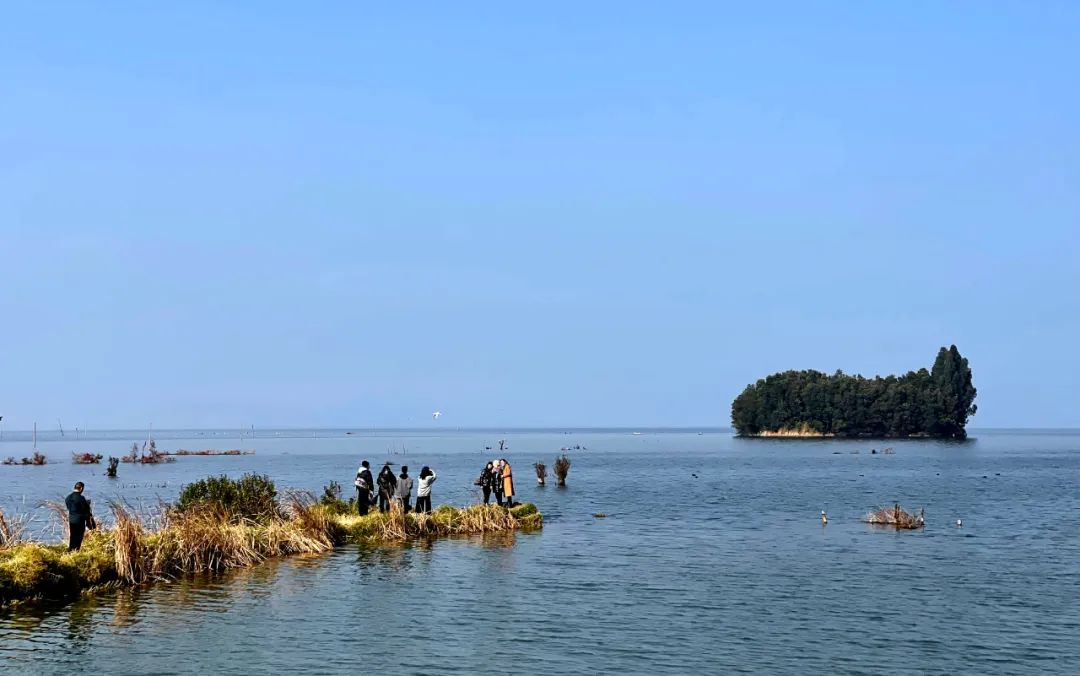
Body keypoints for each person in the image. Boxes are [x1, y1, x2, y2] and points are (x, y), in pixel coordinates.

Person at [65, 481, 94, 551]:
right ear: (81, 488)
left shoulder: (68, 497)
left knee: (73, 536)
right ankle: (76, 550)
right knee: (79, 536)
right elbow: (85, 510)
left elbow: (70, 507)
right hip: (80, 520)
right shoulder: (81, 498)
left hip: (71, 519)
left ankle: (70, 550)